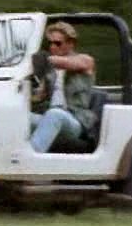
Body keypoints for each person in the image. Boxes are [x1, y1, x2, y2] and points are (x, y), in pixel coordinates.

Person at [30, 21, 97, 153]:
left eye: (57, 43)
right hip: (49, 116)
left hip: (76, 120)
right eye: (50, 43)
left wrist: (39, 59)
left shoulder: (85, 61)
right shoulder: (50, 70)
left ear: (70, 44)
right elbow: (38, 97)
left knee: (55, 114)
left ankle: (29, 159)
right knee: (19, 116)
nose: (52, 47)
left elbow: (68, 63)